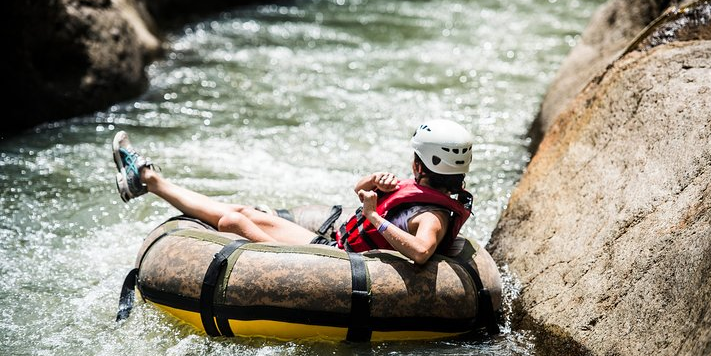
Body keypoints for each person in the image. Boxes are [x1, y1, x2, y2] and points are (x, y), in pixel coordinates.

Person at [112, 119, 474, 265]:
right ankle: (149, 180)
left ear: (418, 165)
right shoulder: (423, 195)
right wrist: (372, 183)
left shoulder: (431, 216)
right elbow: (357, 190)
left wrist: (373, 216)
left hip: (332, 265)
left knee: (233, 221)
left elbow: (423, 252)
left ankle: (148, 179)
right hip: (334, 249)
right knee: (248, 213)